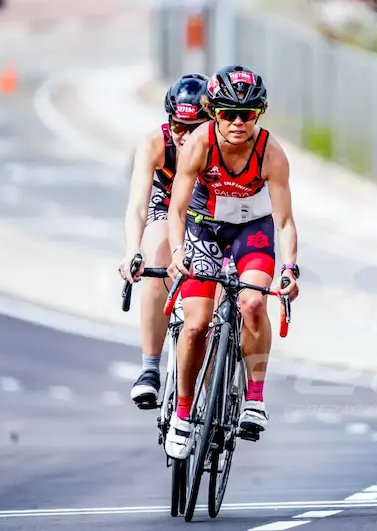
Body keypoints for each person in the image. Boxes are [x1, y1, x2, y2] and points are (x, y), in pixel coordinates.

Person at [164, 64, 300, 460]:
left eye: (248, 114)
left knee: (253, 301)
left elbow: (285, 222)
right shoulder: (198, 144)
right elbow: (176, 210)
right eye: (228, 114)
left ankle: (254, 397)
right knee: (195, 326)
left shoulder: (271, 153)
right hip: (203, 226)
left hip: (251, 229)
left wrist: (289, 268)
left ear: (260, 113)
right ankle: (183, 413)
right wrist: (177, 252)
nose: (238, 123)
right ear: (213, 112)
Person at [118, 73, 210, 408]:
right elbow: (138, 206)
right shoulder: (155, 143)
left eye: (194, 128)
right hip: (165, 205)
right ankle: (150, 368)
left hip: (204, 212)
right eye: (177, 127)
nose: (184, 136)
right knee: (157, 257)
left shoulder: (221, 144)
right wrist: (132, 251)